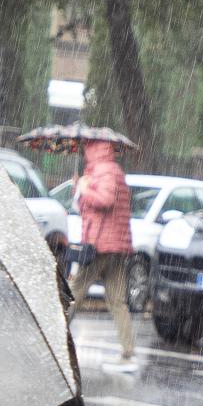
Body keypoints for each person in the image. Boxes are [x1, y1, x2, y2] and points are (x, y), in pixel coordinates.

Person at [71, 138, 138, 373]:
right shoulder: (108, 170)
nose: (84, 151)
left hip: (101, 244)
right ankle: (128, 354)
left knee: (74, 293)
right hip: (115, 245)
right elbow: (88, 206)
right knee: (117, 299)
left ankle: (54, 340)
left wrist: (85, 189)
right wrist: (80, 188)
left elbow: (105, 200)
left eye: (87, 147)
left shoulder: (105, 171)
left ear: (93, 149)